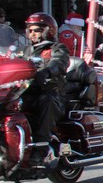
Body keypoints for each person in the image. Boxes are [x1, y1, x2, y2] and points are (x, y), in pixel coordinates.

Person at [20, 13, 70, 169]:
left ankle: (41, 148)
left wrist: (47, 71)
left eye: (37, 30)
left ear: (49, 30)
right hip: (27, 92)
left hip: (51, 91)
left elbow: (60, 61)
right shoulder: (24, 51)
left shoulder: (56, 48)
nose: (33, 34)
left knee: (46, 101)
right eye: (30, 30)